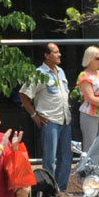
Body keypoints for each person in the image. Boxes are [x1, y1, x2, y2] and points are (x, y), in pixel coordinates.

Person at [20, 42, 73, 189]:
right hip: (49, 121)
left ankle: (60, 189)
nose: (59, 55)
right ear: (46, 55)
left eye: (59, 52)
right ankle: (49, 190)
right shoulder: (38, 74)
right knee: (49, 159)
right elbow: (24, 95)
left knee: (66, 158)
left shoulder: (61, 71)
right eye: (55, 52)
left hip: (65, 120)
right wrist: (34, 115)